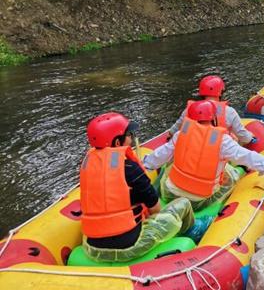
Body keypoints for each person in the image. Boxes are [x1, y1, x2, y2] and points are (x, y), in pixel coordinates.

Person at [143, 101, 264, 211]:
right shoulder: (223, 141)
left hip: (170, 193)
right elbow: (250, 157)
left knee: (169, 166)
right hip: (198, 201)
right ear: (213, 118)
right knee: (230, 173)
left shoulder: (180, 135)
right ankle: (239, 174)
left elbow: (154, 159)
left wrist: (143, 164)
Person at [80, 112, 195, 263]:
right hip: (128, 247)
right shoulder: (131, 169)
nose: (132, 138)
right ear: (116, 143)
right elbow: (156, 209)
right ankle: (193, 234)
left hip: (93, 247)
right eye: (129, 134)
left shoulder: (87, 164)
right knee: (184, 203)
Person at [168, 75, 254, 145]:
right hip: (217, 151)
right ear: (220, 92)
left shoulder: (190, 108)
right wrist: (250, 137)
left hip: (191, 149)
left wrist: (170, 135)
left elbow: (174, 130)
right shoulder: (229, 111)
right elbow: (243, 136)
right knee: (234, 139)